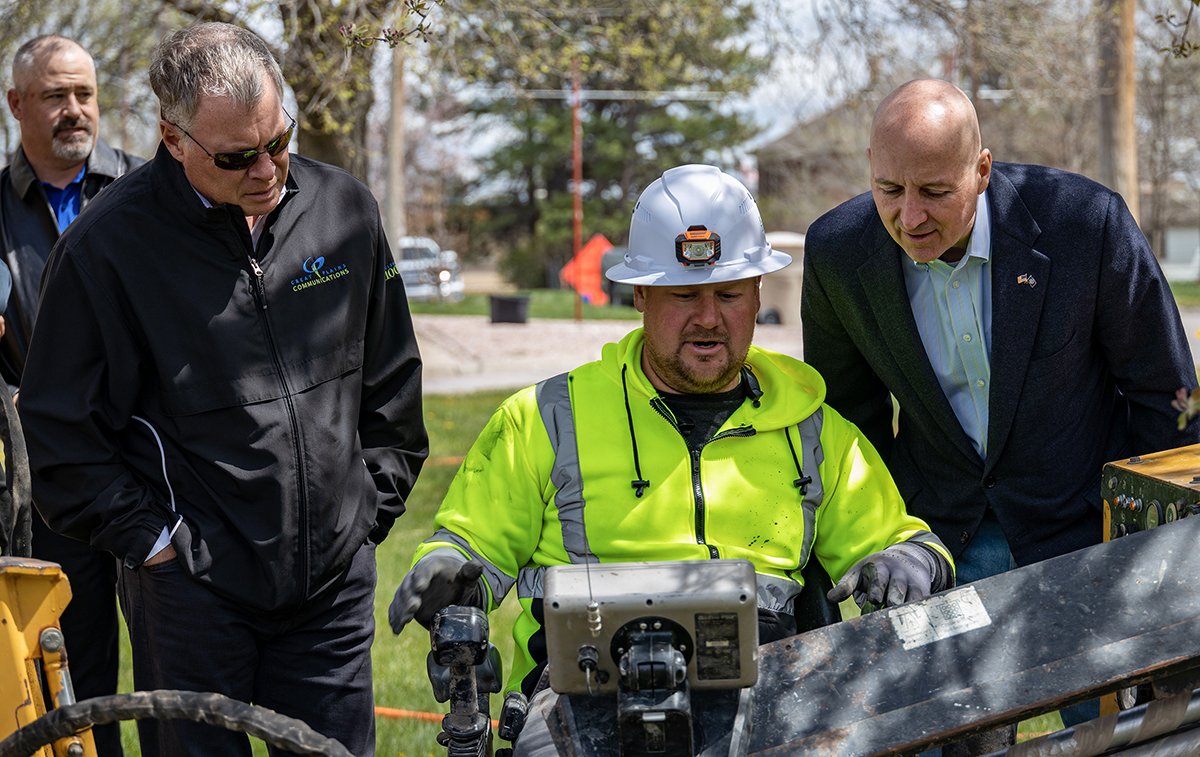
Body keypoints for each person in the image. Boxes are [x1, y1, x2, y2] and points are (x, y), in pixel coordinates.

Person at [389, 164, 954, 753]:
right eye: (684, 294)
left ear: (758, 294)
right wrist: (447, 571)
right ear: (640, 294)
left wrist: (908, 559)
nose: (709, 317)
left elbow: (900, 539)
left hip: (771, 693)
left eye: (729, 294)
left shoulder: (814, 430)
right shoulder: (546, 418)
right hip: (575, 703)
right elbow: (469, 547)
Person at [18, 22, 427, 756]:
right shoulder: (106, 249)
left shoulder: (344, 211)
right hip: (191, 601)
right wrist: (154, 545)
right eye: (238, 156)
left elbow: (392, 378)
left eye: (279, 140)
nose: (268, 170)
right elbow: (59, 434)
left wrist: (365, 510)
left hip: (330, 592)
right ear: (174, 141)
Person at [801, 78, 1200, 738]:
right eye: (888, 190)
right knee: (931, 737)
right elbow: (849, 423)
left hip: (1085, 523)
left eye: (934, 191)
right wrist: (881, 540)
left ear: (981, 169)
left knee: (1126, 736)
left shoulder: (1084, 224)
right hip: (940, 533)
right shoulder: (839, 252)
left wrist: (1158, 545)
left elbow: (1168, 396)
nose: (909, 217)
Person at [2, 35, 143, 756]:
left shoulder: (150, 192)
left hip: (158, 477)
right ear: (16, 104)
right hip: (54, 489)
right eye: (55, 95)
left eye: (84, 94)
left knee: (174, 670)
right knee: (72, 678)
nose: (73, 110)